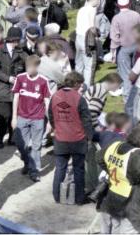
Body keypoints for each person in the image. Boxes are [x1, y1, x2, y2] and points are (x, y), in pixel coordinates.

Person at [99, 122, 140, 234]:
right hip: (131, 201)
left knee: (115, 229)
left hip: (112, 196)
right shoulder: (138, 155)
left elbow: (99, 157)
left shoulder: (115, 146)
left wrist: (111, 171)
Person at [48, 71, 93, 205]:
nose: (81, 87)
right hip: (78, 140)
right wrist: (89, 137)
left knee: (60, 168)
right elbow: (87, 121)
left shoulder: (55, 96)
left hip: (60, 139)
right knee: (78, 169)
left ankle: (57, 196)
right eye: (80, 84)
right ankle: (79, 199)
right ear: (76, 83)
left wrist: (56, 128)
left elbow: (51, 115)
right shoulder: (80, 99)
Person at [12, 54, 51, 182]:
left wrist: (49, 120)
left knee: (36, 146)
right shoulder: (20, 78)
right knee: (20, 144)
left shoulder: (43, 81)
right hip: (22, 116)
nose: (29, 69)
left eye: (31, 67)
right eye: (27, 67)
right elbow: (16, 98)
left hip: (38, 118)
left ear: (37, 67)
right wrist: (14, 117)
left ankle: (34, 171)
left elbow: (47, 101)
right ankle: (27, 163)